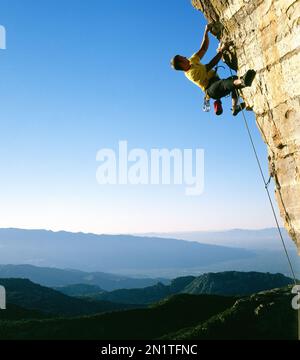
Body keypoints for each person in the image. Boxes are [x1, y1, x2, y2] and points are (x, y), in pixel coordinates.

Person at [171, 24, 256, 116]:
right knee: (224, 83)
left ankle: (235, 108)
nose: (184, 56)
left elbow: (203, 48)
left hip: (216, 81)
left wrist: (206, 33)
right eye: (182, 58)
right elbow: (210, 65)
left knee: (233, 79)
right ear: (181, 64)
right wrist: (222, 51)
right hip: (211, 90)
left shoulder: (192, 61)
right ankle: (243, 81)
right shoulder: (191, 74)